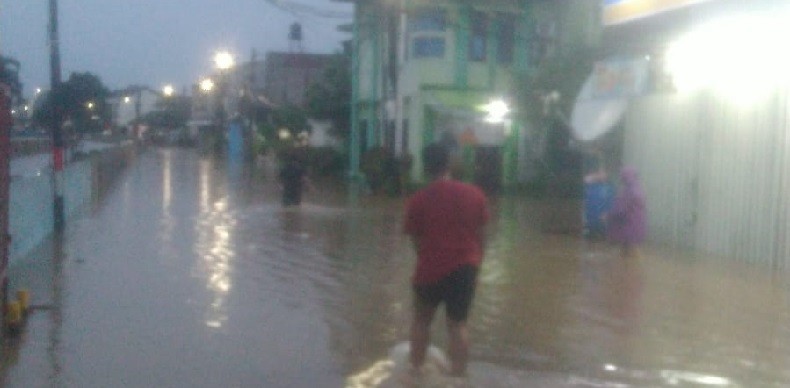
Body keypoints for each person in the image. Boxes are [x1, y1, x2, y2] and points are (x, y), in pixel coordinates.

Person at [403, 143, 489, 376]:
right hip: (465, 267)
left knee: (421, 320)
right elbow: (481, 238)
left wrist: (430, 259)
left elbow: (416, 242)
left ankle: (416, 372)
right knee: (458, 325)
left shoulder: (418, 199)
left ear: (425, 166)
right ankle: (459, 378)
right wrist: (475, 266)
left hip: (430, 267)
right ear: (449, 163)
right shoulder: (475, 194)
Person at [607, 167, 647, 257]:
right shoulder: (638, 189)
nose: (621, 179)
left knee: (630, 250)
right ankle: (630, 269)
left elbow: (621, 209)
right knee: (629, 250)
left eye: (623, 177)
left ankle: (632, 269)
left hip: (628, 226)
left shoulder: (629, 191)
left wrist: (609, 215)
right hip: (635, 225)